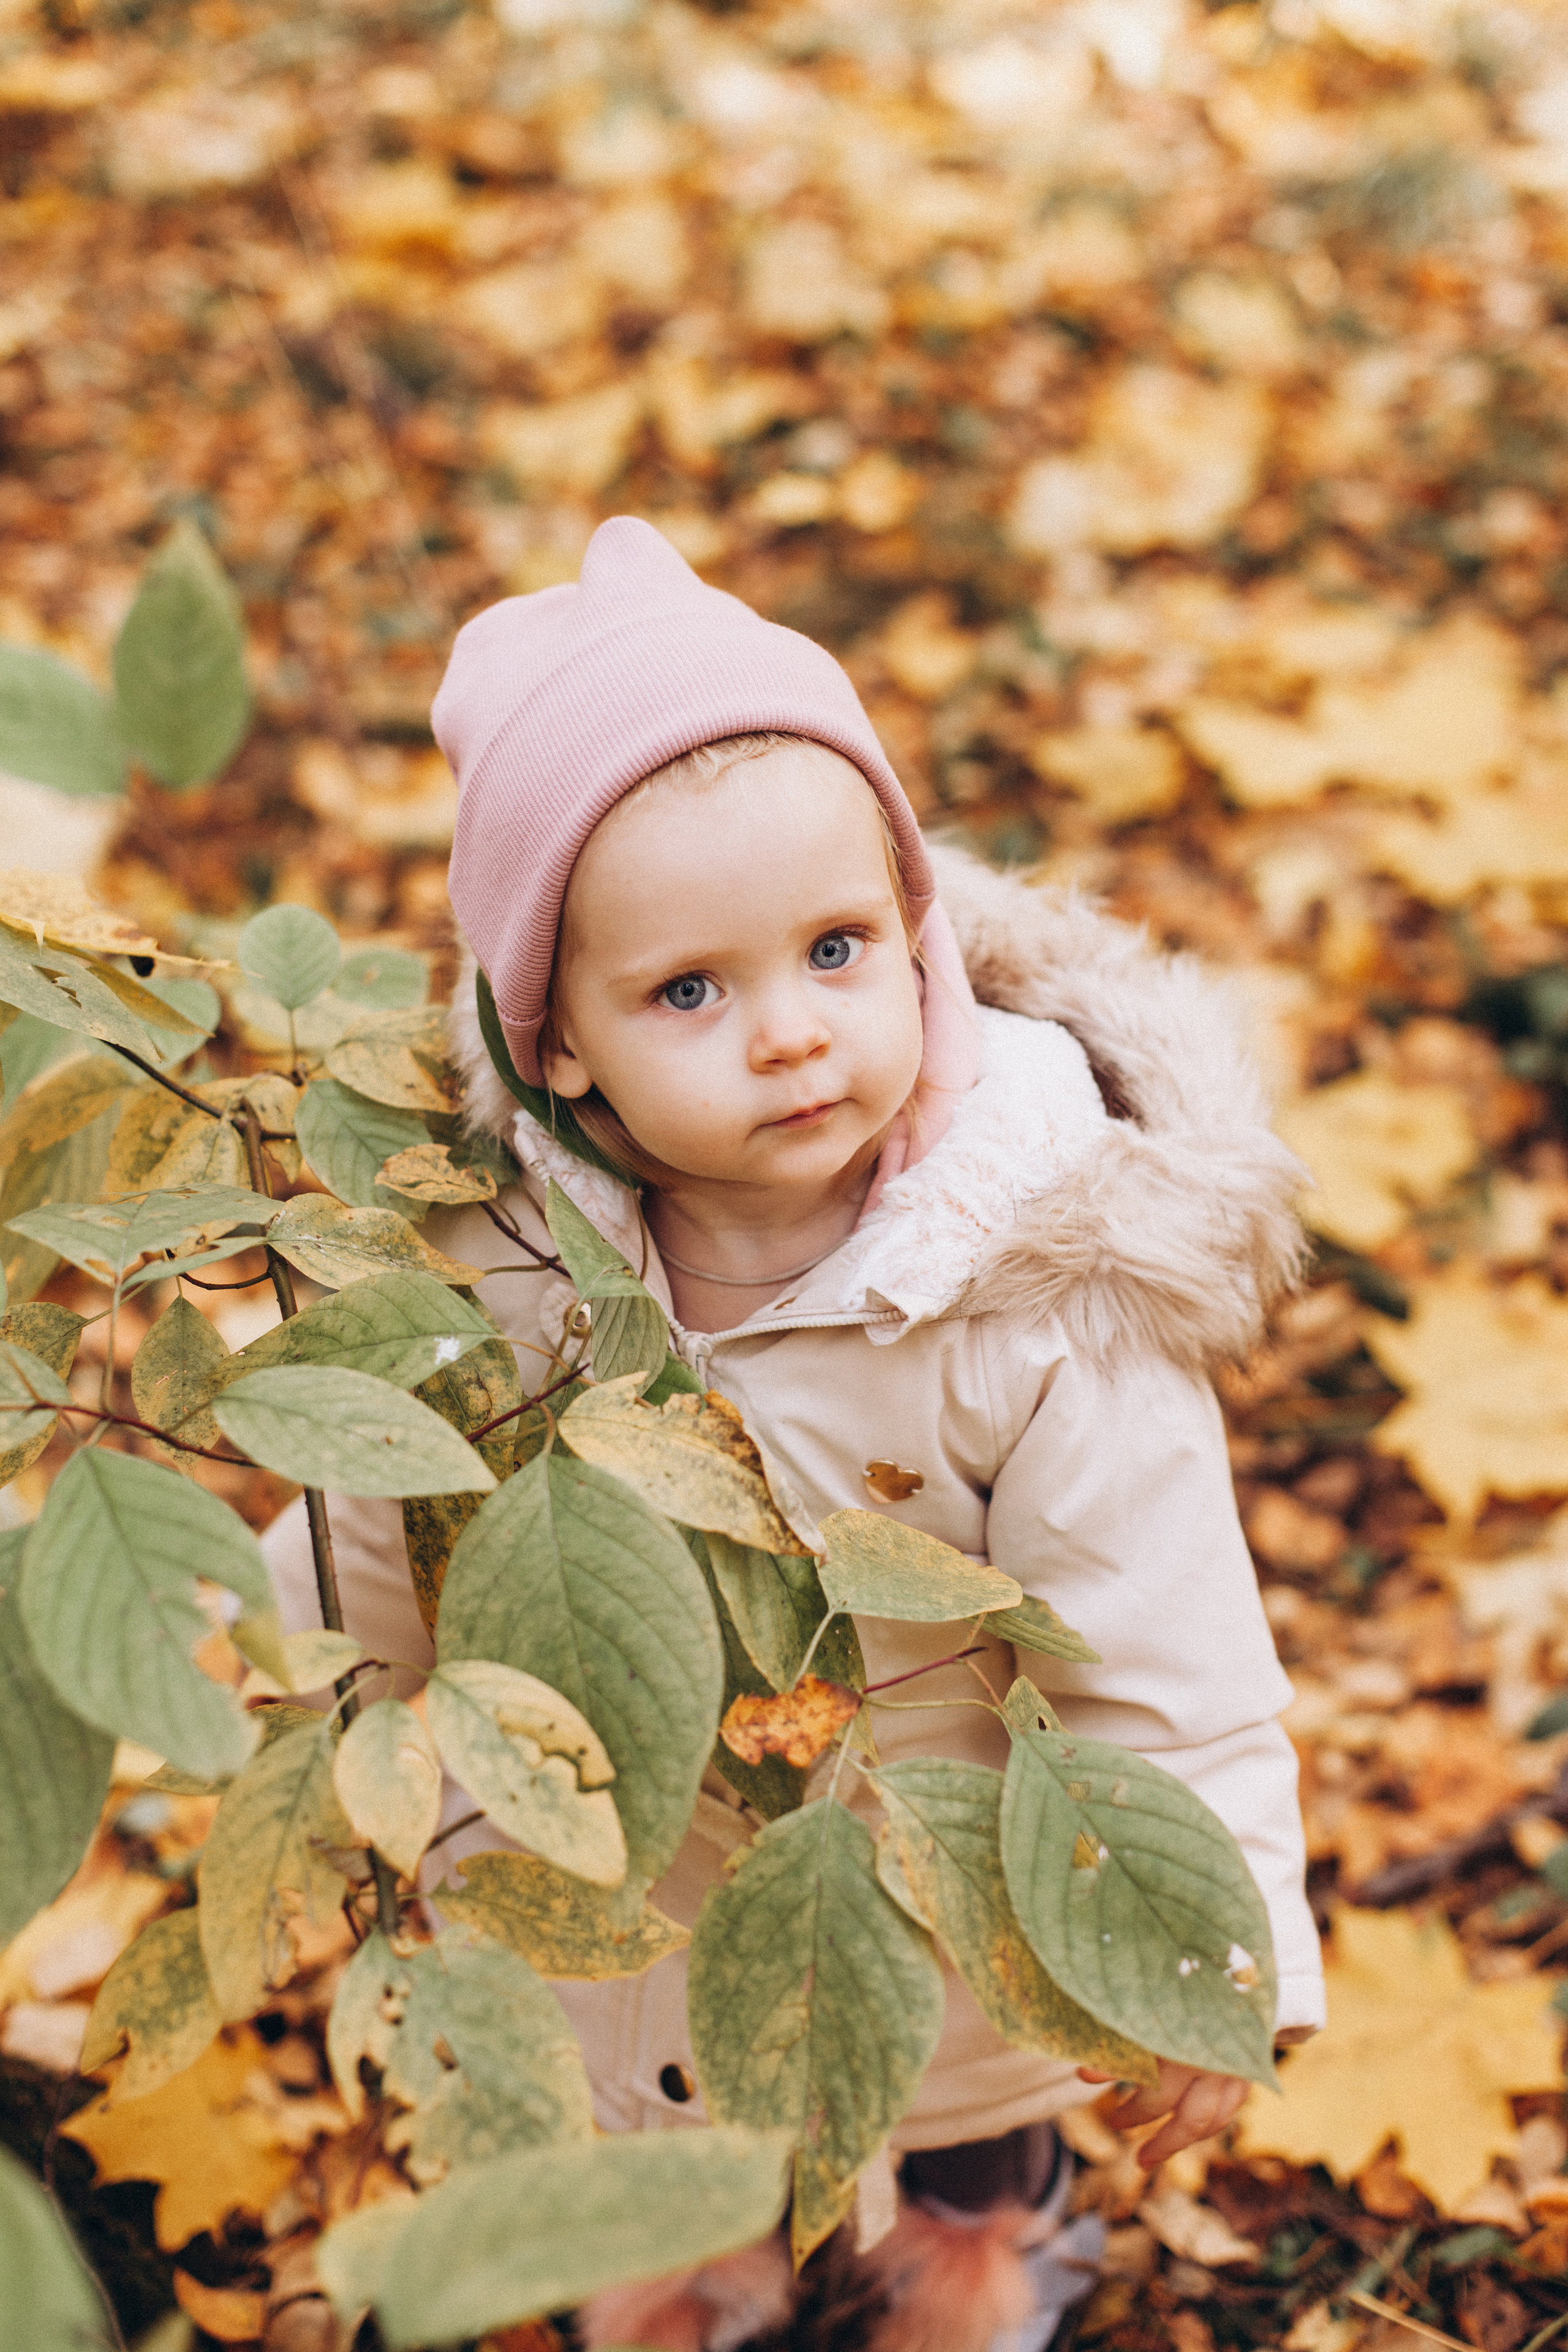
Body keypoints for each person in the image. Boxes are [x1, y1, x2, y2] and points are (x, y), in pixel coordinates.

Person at [263, 517, 1325, 2352]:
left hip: (946, 1884)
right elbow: (390, 1537)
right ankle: (687, 2270)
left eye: (839, 950)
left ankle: (973, 2260)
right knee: (659, 2109)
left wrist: (1205, 1959)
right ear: (557, 1040)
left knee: (955, 2133)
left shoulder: (1037, 1284)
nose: (790, 1036)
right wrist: (334, 1727)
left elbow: (1170, 1665)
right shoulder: (504, 1263)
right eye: (692, 990)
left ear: (917, 935)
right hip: (629, 1859)